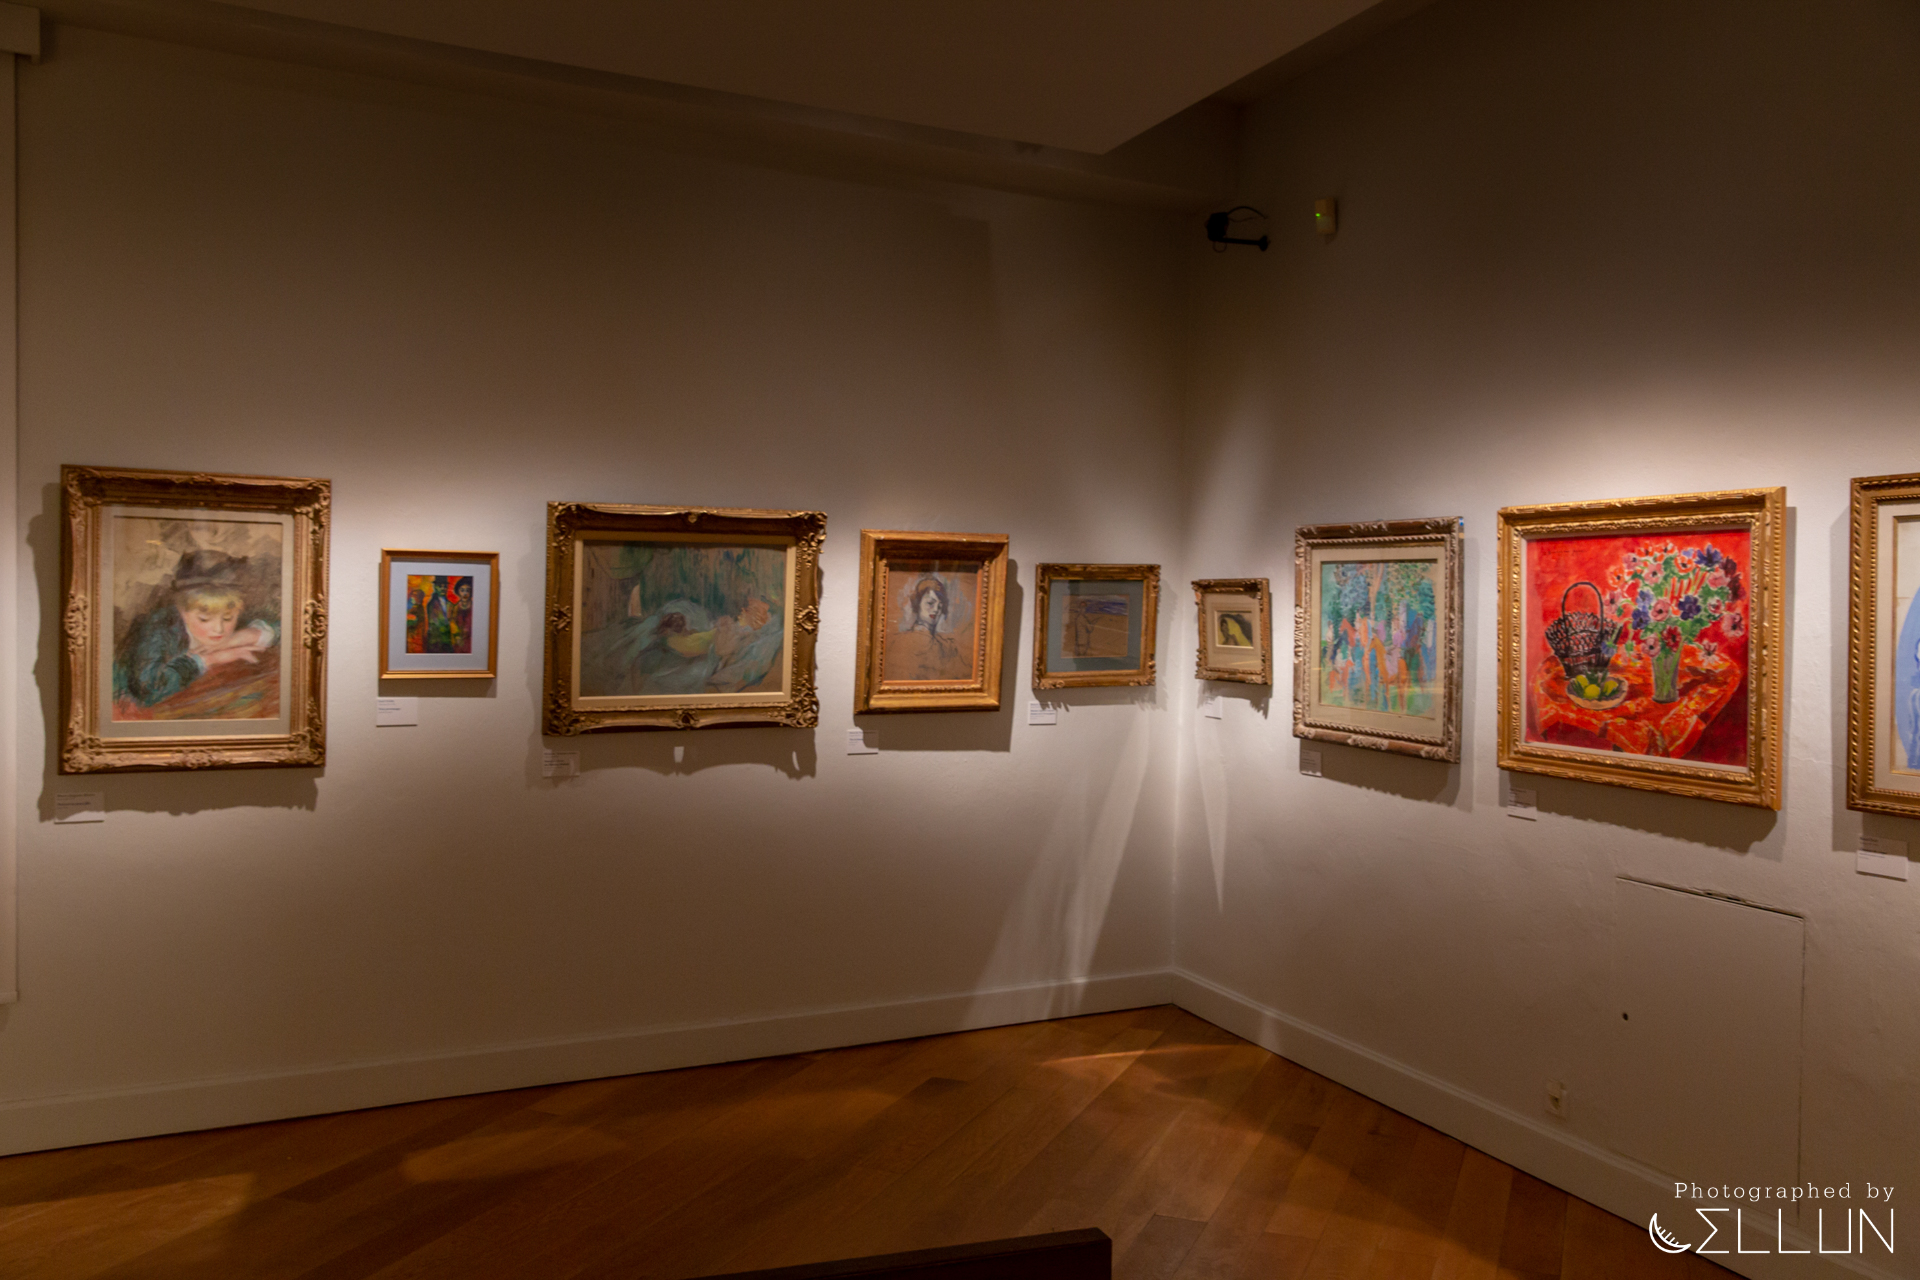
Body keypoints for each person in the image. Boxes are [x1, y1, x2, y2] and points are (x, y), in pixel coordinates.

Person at [113, 550, 278, 708]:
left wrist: (245, 636)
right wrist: (207, 659)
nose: (219, 629)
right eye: (204, 619)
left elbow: (285, 629)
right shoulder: (159, 628)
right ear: (182, 612)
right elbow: (148, 689)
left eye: (228, 618)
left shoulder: (231, 607)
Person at [883, 575, 971, 681]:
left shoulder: (947, 647)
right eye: (930, 603)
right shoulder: (898, 642)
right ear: (917, 604)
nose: (936, 610)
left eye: (940, 606)